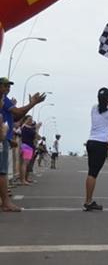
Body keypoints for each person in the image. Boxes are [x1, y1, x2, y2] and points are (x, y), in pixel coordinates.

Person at [0, 77, 46, 212]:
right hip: (3, 139)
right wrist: (32, 104)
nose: (7, 89)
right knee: (2, 172)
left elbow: (16, 117)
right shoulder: (3, 100)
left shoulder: (5, 100)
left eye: (9, 86)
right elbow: (18, 113)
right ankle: (6, 203)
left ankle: (5, 200)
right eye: (4, 86)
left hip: (5, 138)